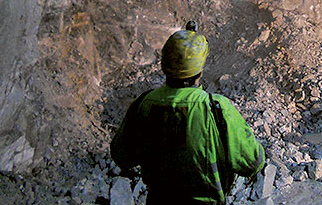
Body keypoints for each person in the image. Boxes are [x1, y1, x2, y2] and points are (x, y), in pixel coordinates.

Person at [110, 21, 265, 204]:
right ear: (199, 69)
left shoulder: (144, 104)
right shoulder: (216, 108)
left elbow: (122, 156)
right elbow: (252, 162)